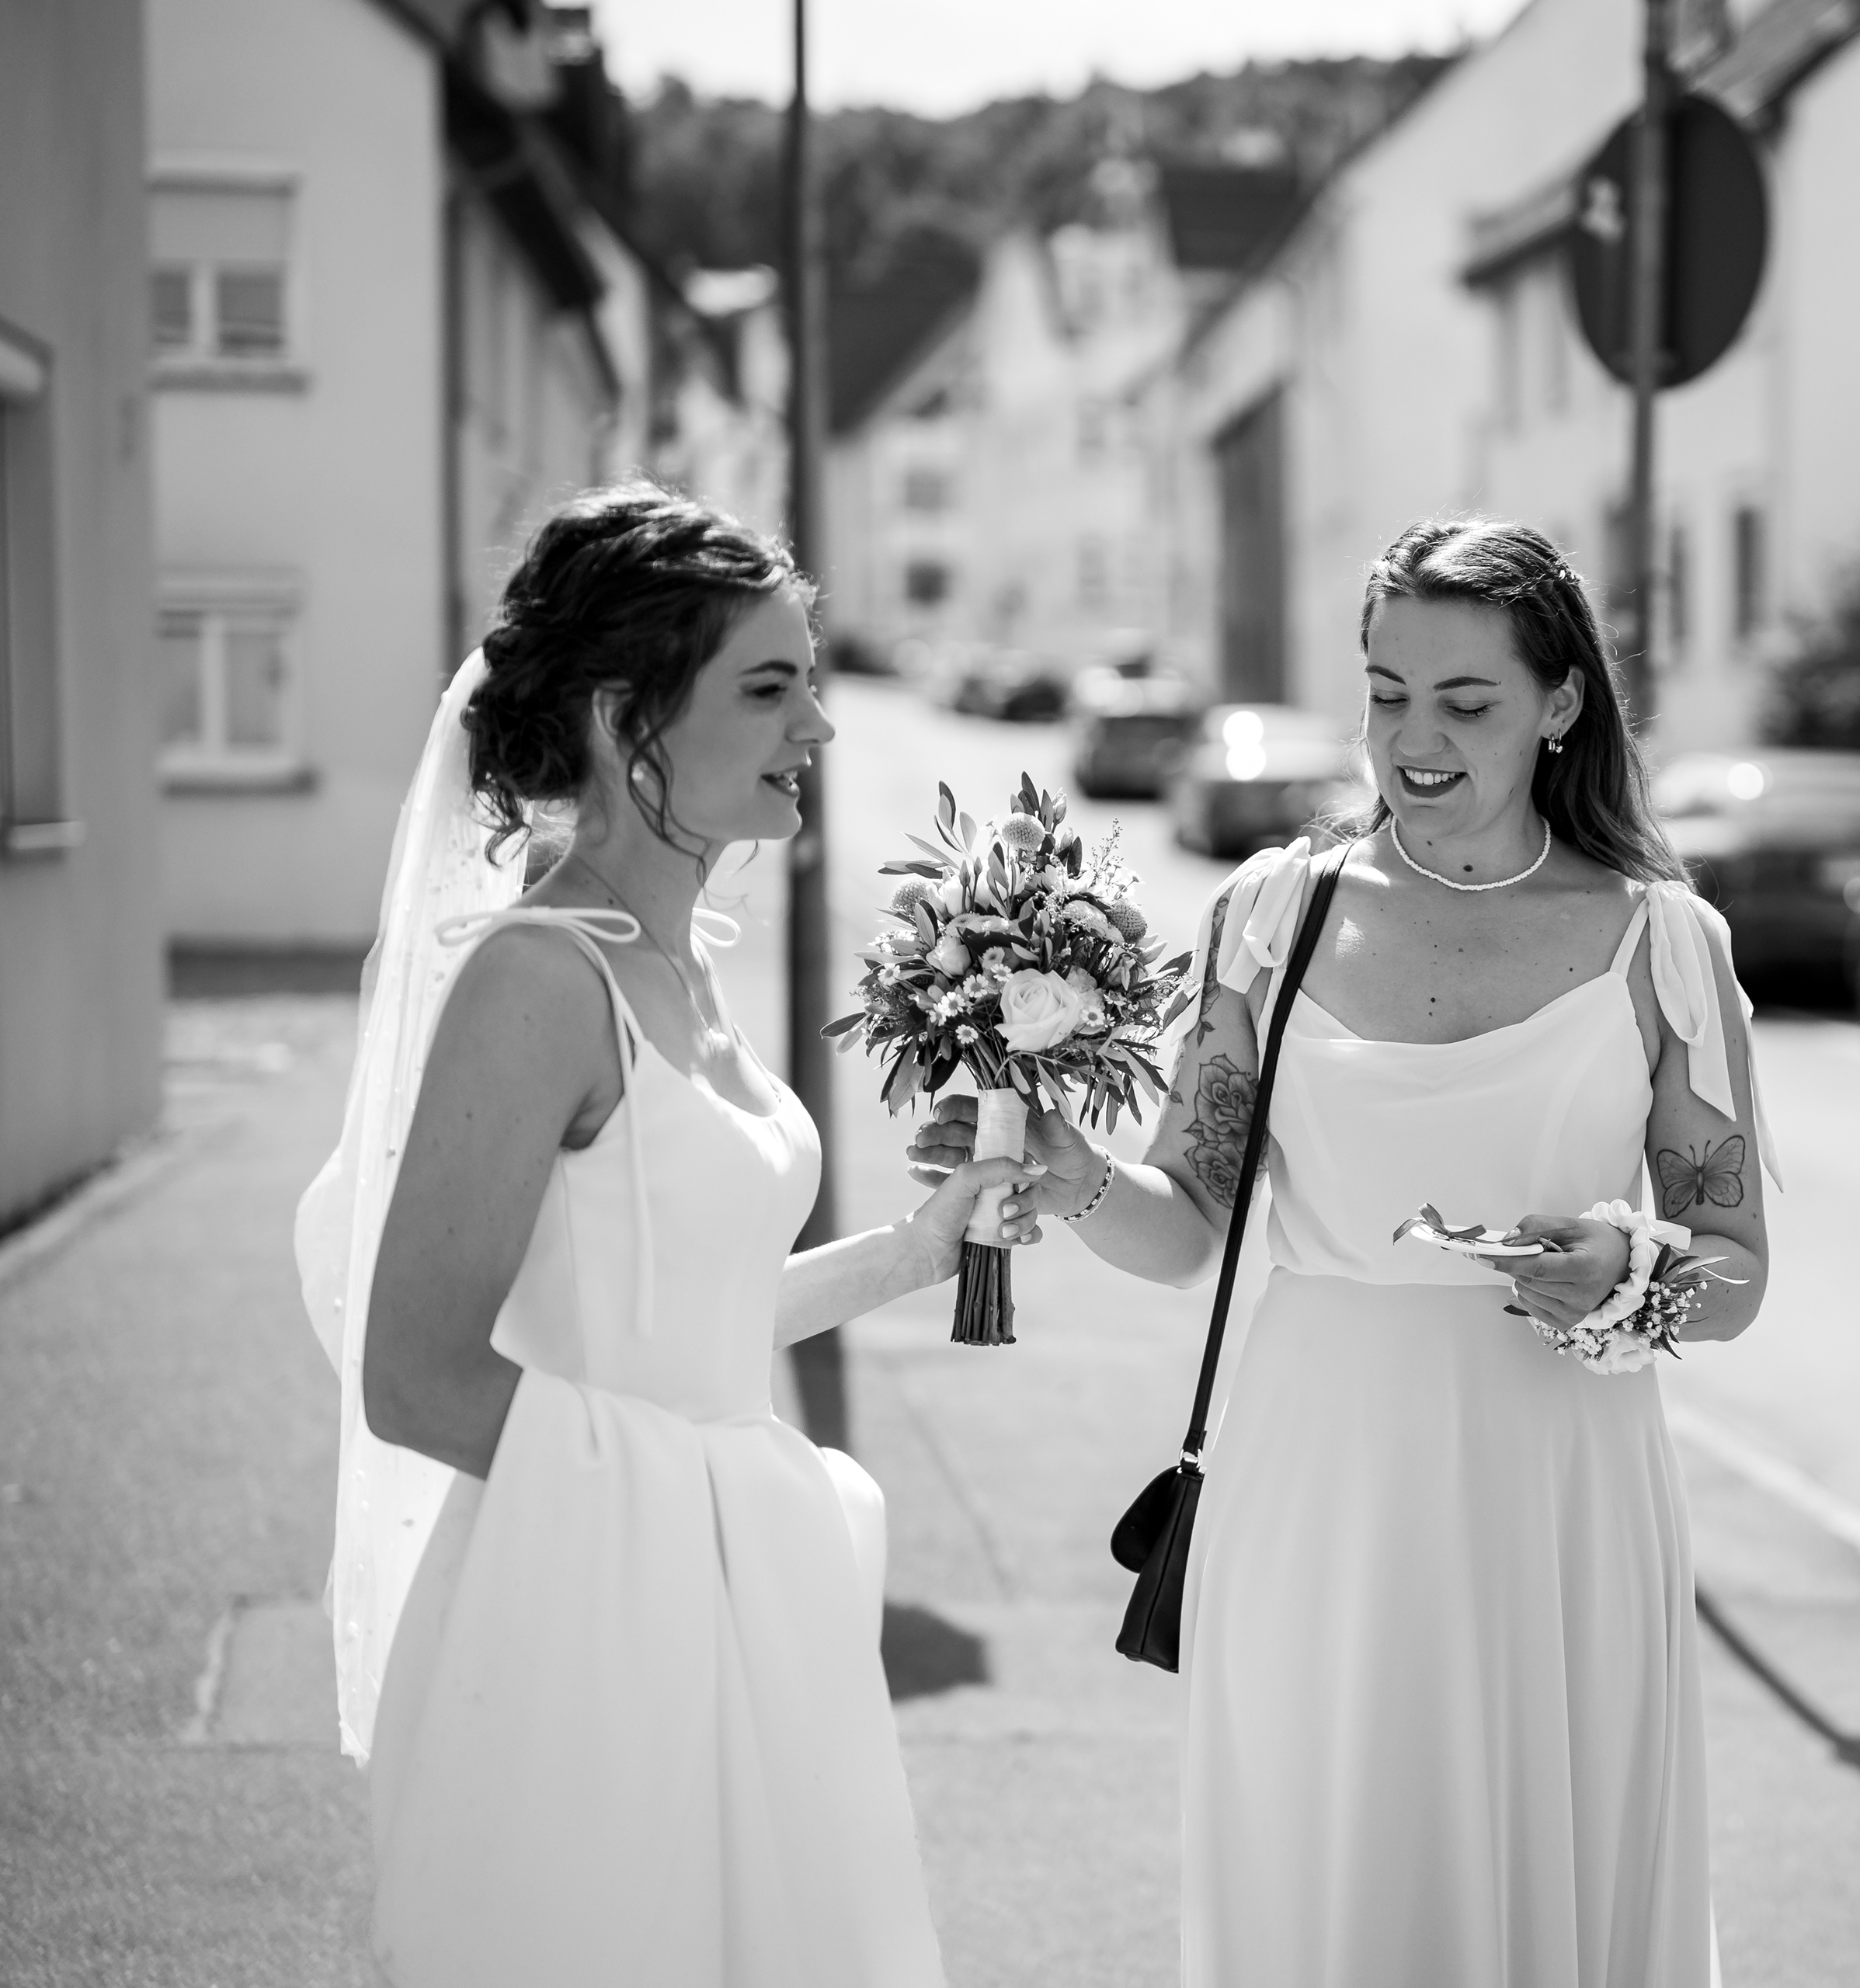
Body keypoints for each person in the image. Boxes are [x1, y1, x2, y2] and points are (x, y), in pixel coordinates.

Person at [914, 517, 1777, 1986]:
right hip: (1316, 1480)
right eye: (1386, 692)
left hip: (1556, 1488)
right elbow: (1187, 1224)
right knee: (1335, 1892)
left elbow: (1738, 1262)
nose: (1413, 739)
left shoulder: (1662, 944)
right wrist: (1069, 1176)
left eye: (1466, 701)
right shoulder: (1272, 916)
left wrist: (1633, 1273)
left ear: (1562, 704)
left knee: (1540, 1872)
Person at [296, 483, 1020, 1986]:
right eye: (770, 687)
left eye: (810, 682)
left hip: (737, 1610)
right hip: (585, 1631)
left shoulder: (678, 964)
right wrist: (706, 1503)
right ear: (629, 715)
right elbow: (415, 1379)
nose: (817, 727)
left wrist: (914, 1246)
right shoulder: (537, 984)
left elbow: (675, 1319)